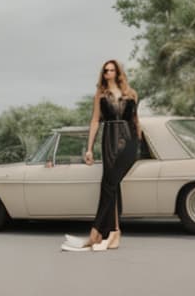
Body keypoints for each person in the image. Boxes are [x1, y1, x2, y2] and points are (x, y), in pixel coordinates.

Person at [61, 59, 140, 252]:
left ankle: (96, 233)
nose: (109, 73)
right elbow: (95, 121)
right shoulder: (100, 95)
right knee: (110, 186)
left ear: (118, 72)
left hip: (129, 142)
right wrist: (89, 148)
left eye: (112, 70)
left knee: (109, 185)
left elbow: (135, 120)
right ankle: (113, 234)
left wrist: (139, 145)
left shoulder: (132, 94)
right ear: (103, 74)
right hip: (109, 141)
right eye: (106, 70)